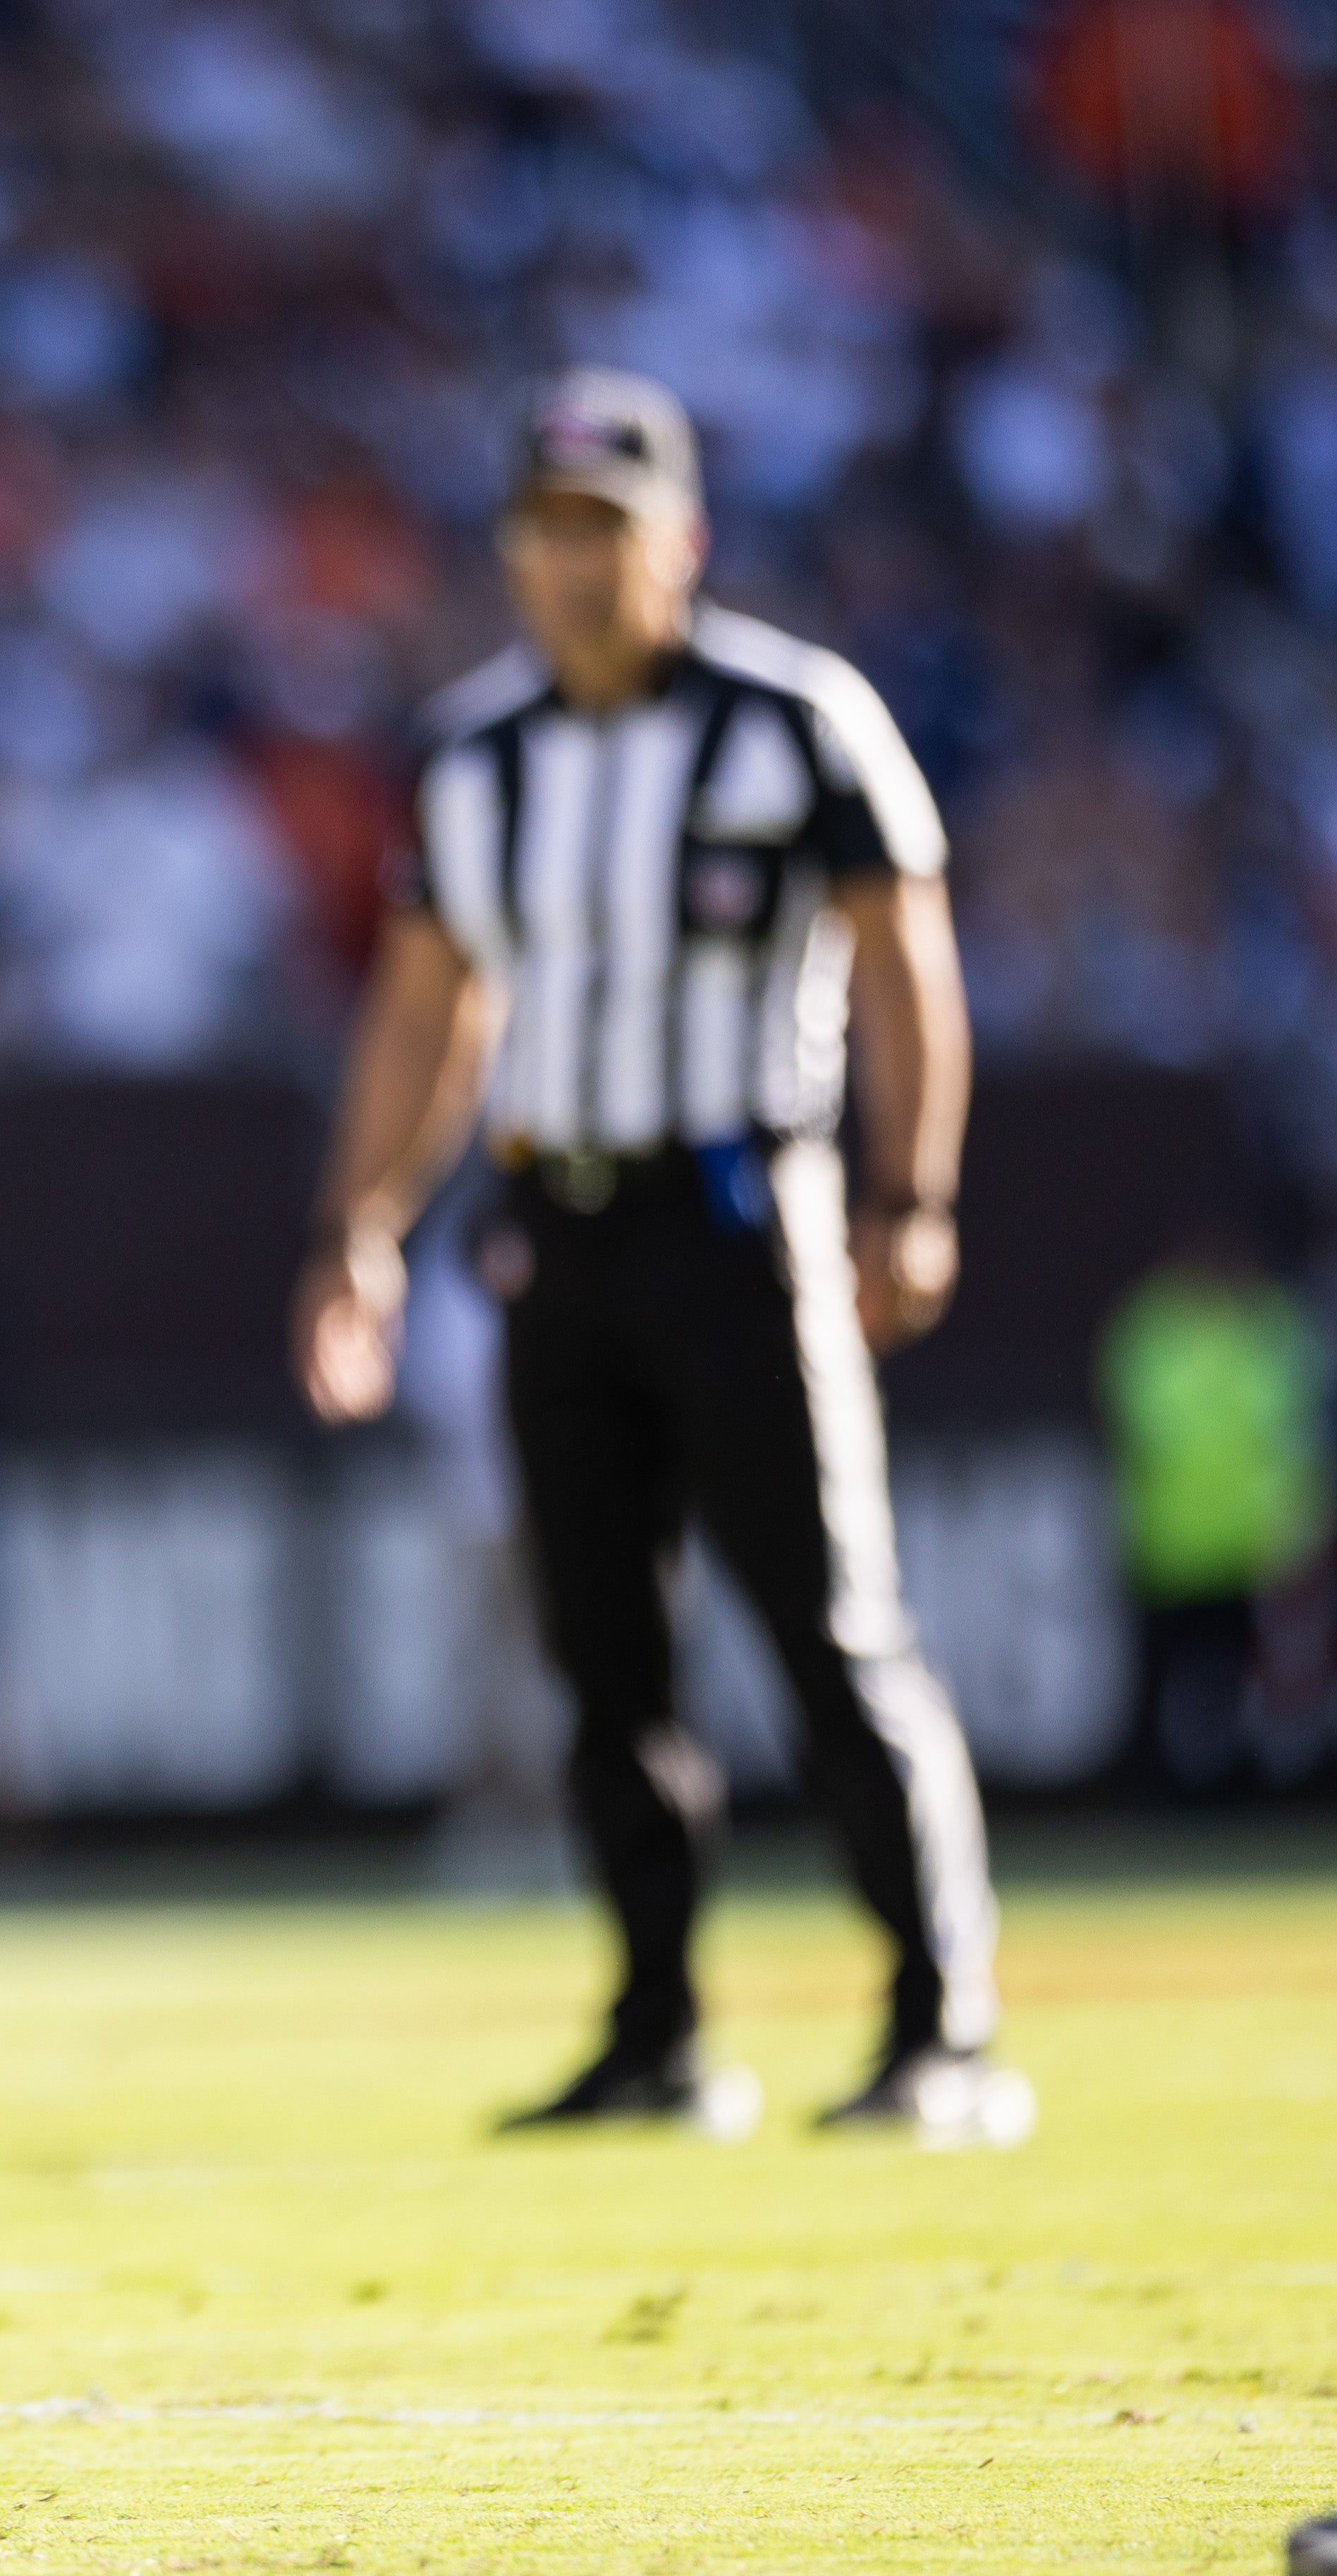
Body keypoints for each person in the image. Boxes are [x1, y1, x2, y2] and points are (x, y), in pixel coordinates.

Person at [290, 368, 1022, 2144]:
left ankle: (941, 2027)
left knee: (825, 1623)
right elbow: (425, 1013)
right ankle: (657, 2031)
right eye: (543, 530)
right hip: (553, 1228)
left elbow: (902, 955)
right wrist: (358, 1227)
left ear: (677, 540)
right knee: (603, 1651)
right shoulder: (473, 755)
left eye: (602, 529)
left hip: (738, 1215)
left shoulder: (795, 718)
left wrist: (909, 1191)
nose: (571, 564)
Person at [1097, 1223, 1329, 1790]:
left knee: (1250, 1686)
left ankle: (1248, 1788)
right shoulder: (1155, 1326)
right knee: (1162, 1682)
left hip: (1252, 1547)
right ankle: (1156, 1790)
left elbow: (1299, 1433)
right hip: (1171, 1545)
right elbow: (1141, 1428)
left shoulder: (1271, 1325)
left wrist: (1300, 1521)